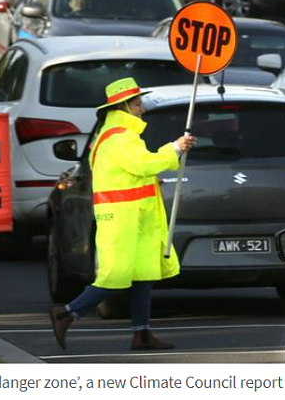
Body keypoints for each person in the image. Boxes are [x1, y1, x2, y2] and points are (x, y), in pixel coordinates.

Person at [49, 78, 195, 351]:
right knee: (115, 276)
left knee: (143, 274)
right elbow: (141, 164)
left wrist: (152, 180)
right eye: (138, 103)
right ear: (124, 106)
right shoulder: (119, 137)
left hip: (131, 216)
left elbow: (128, 173)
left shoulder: (117, 135)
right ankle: (67, 313)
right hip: (123, 218)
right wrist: (175, 147)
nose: (142, 108)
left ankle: (141, 333)